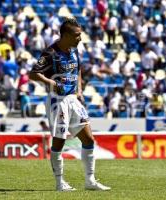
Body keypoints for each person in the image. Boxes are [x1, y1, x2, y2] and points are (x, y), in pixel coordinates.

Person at [29, 17, 110, 191]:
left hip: (72, 99)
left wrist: (79, 90)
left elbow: (78, 69)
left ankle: (90, 181)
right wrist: (51, 83)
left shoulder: (74, 50)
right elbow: (33, 74)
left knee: (89, 139)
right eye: (76, 35)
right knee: (59, 142)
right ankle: (60, 183)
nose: (80, 38)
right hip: (57, 101)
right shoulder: (50, 53)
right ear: (65, 35)